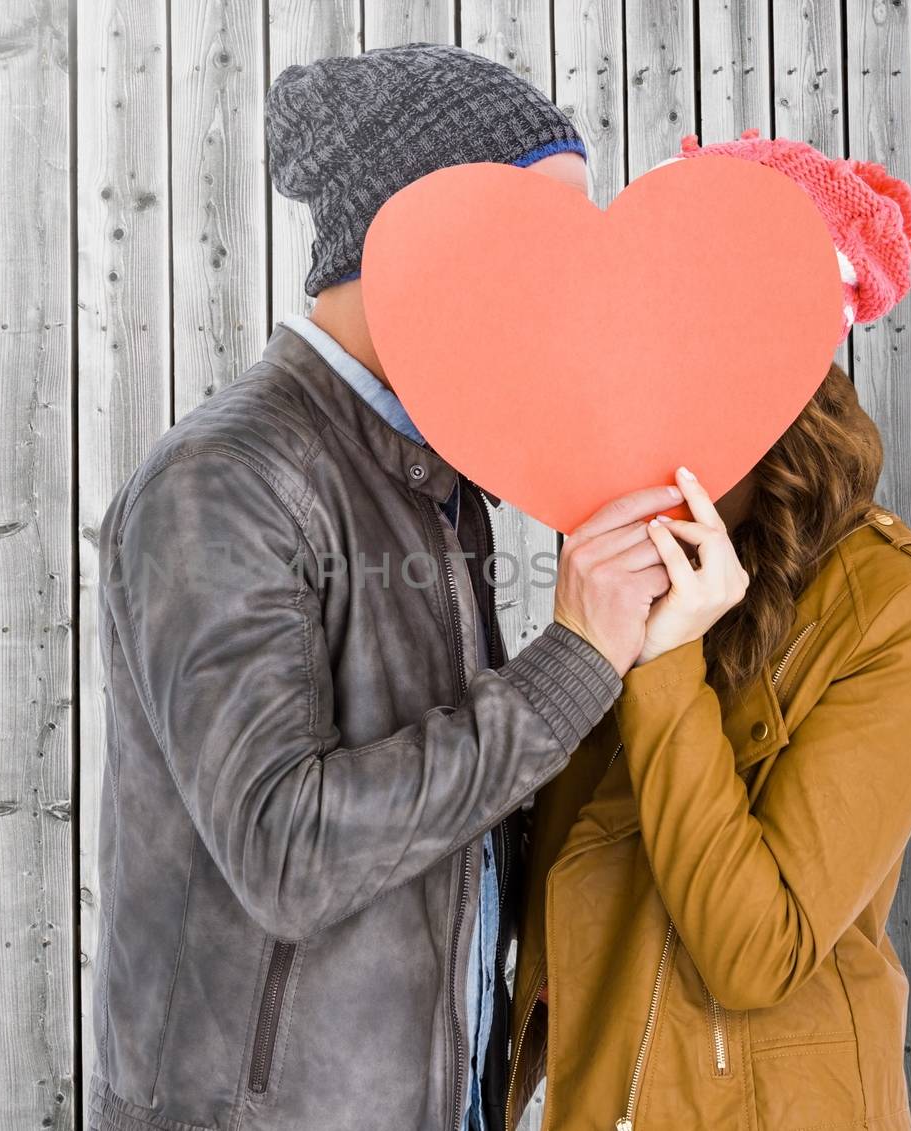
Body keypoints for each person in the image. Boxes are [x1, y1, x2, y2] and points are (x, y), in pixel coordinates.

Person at [89, 44, 675, 1131]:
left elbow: (460, 808)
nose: (568, 287)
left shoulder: (434, 476)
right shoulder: (224, 481)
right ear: (418, 238)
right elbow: (289, 851)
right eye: (537, 243)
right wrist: (571, 666)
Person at [502, 137, 911, 1131]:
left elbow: (755, 952)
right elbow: (552, 871)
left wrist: (668, 659)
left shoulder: (897, 604)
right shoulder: (625, 536)